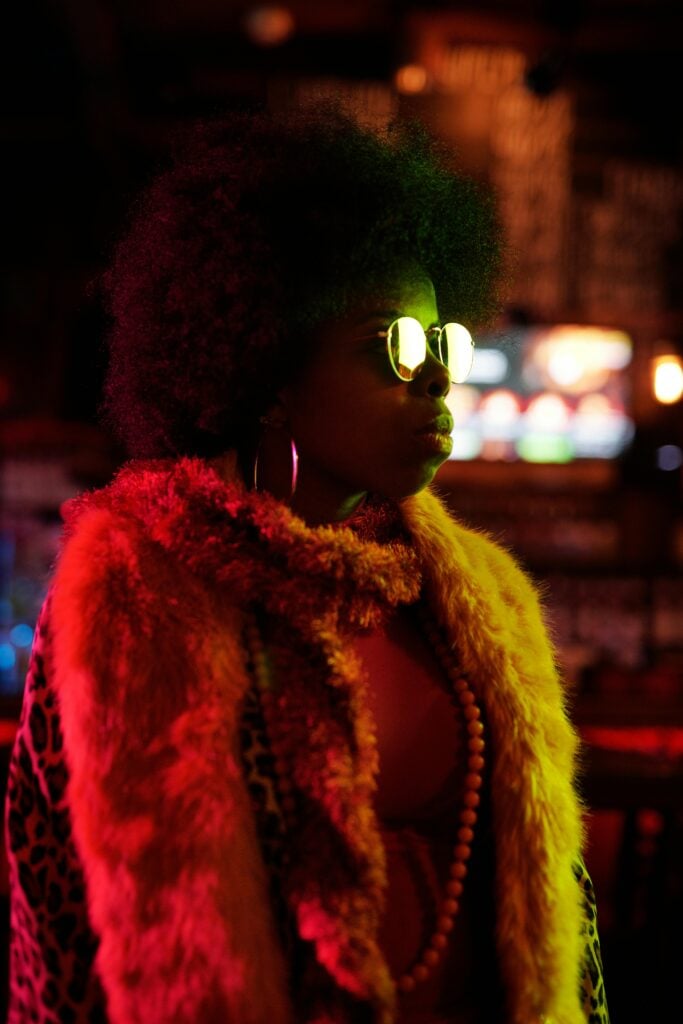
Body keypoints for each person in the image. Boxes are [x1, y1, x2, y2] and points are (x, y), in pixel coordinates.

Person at [4, 103, 609, 1024]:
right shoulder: (136, 589)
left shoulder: (478, 598)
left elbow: (566, 922)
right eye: (394, 346)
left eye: (442, 344)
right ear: (271, 372)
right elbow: (54, 932)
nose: (438, 379)